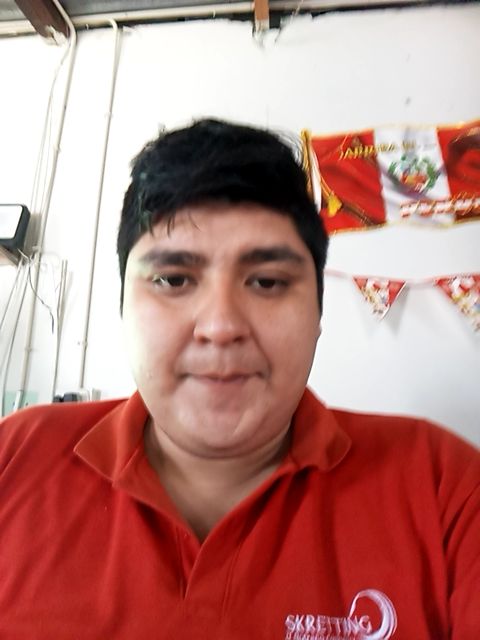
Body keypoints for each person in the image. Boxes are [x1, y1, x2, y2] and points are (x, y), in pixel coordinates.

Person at [0, 119, 478, 640]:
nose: (221, 326)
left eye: (267, 282)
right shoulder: (14, 458)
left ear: (318, 313)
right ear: (123, 307)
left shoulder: (446, 489)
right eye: (173, 279)